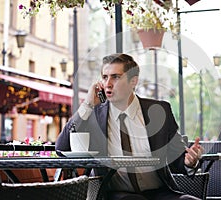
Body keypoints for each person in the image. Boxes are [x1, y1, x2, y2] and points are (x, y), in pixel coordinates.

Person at [56, 53, 204, 200]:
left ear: (133, 81)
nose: (108, 83)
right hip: (115, 195)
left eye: (115, 77)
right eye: (105, 77)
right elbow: (62, 148)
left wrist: (189, 162)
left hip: (160, 192)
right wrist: (87, 104)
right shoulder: (93, 114)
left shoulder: (159, 111)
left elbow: (177, 156)